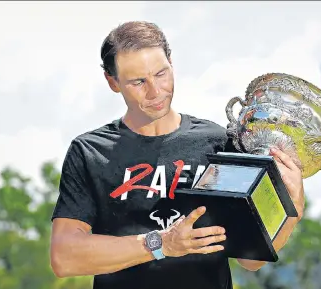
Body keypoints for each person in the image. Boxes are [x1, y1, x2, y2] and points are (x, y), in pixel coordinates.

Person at [50, 21, 305, 289]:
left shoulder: (218, 142)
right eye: (138, 82)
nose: (155, 91)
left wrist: (291, 212)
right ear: (112, 82)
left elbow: (250, 259)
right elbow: (65, 257)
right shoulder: (90, 151)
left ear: (171, 62)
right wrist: (161, 243)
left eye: (161, 73)